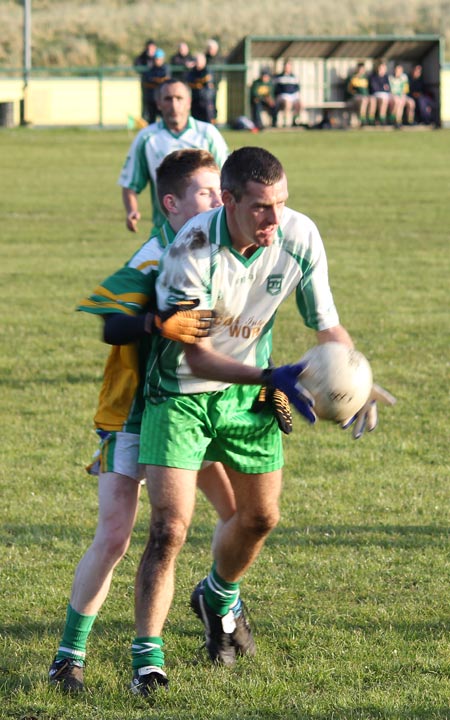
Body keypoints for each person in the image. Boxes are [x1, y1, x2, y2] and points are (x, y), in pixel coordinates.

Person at [130, 146, 396, 696]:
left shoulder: (299, 235)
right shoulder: (191, 251)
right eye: (260, 208)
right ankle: (148, 660)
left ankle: (218, 596)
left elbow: (328, 327)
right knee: (168, 528)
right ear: (228, 201)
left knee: (260, 519)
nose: (275, 219)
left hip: (249, 391)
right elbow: (196, 358)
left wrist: (357, 379)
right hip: (180, 393)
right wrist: (271, 379)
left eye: (281, 203)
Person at [48, 149, 237, 694]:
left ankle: (222, 600)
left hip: (191, 410)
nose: (216, 200)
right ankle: (69, 655)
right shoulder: (155, 254)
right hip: (134, 416)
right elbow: (112, 326)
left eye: (219, 191)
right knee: (114, 535)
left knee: (240, 515)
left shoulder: (217, 250)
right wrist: (159, 321)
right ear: (172, 203)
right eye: (205, 192)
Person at [118, 78, 229, 232]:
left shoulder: (208, 134)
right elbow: (130, 183)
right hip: (165, 232)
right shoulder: (147, 138)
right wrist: (131, 211)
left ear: (189, 102)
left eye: (179, 98)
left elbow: (228, 179)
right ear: (158, 103)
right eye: (168, 99)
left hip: (209, 229)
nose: (174, 105)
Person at [137, 48, 171, 124]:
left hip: (162, 98)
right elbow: (147, 80)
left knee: (164, 120)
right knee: (151, 120)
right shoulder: (151, 69)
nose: (157, 61)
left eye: (158, 59)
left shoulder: (165, 69)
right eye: (156, 59)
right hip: (152, 98)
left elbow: (164, 80)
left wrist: (155, 80)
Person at [185, 52, 216, 124]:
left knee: (208, 122)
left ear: (204, 61)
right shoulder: (192, 72)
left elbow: (207, 82)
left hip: (206, 100)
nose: (197, 63)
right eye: (196, 61)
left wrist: (197, 84)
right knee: (196, 122)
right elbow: (189, 82)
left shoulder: (208, 71)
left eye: (199, 61)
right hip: (195, 99)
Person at [272, 60, 302, 128]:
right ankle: (285, 122)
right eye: (286, 66)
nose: (287, 68)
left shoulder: (294, 77)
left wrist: (299, 98)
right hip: (282, 95)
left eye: (288, 66)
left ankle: (295, 121)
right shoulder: (278, 77)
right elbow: (275, 89)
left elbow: (297, 89)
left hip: (293, 96)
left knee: (299, 104)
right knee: (287, 103)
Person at [346, 62, 376, 126]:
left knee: (372, 99)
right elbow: (349, 90)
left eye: (362, 69)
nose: (361, 71)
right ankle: (362, 120)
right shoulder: (352, 78)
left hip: (365, 96)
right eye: (360, 69)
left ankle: (371, 119)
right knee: (364, 100)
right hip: (356, 97)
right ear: (357, 69)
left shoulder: (366, 78)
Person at [368, 59, 396, 125]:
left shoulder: (386, 77)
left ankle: (392, 119)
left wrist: (384, 88)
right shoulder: (373, 77)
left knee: (396, 101)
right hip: (376, 94)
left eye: (384, 68)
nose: (382, 70)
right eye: (381, 68)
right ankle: (382, 119)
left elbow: (388, 88)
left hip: (385, 94)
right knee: (384, 100)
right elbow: (374, 89)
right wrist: (383, 88)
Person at [389, 63, 415, 127]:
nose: (398, 72)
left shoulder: (404, 77)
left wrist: (403, 95)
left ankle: (410, 121)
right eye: (397, 70)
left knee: (411, 103)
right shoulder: (390, 78)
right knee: (399, 102)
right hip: (393, 96)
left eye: (399, 70)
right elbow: (390, 90)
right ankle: (398, 121)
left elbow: (405, 89)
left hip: (403, 96)